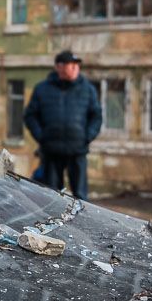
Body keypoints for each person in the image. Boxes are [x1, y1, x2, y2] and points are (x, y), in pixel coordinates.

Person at [23, 50, 102, 200]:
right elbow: (30, 115)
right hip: (51, 151)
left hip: (77, 150)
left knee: (80, 197)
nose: (74, 69)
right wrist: (42, 137)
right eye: (70, 65)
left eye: (76, 66)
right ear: (59, 67)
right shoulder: (42, 89)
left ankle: (82, 223)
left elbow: (96, 116)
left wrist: (87, 136)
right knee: (51, 196)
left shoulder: (87, 89)